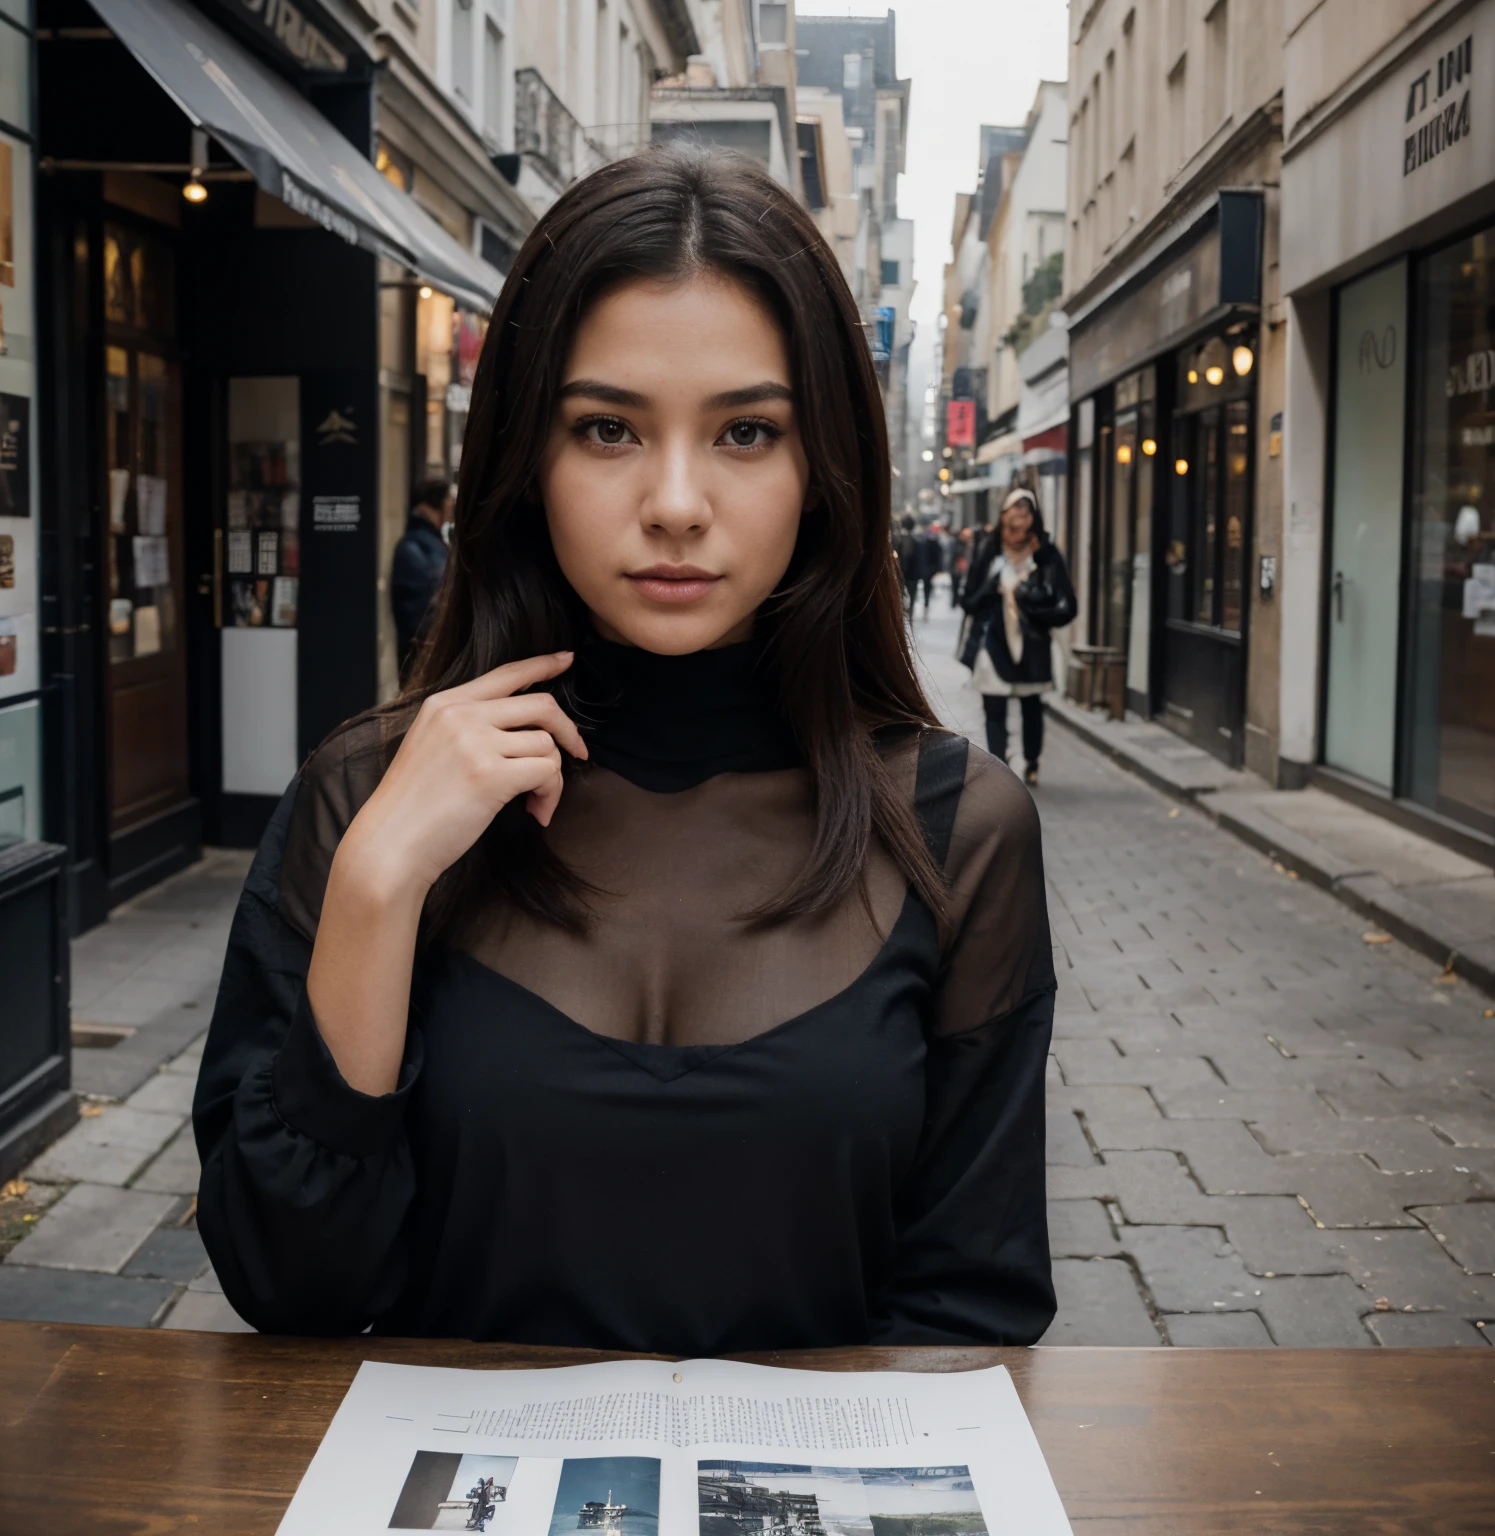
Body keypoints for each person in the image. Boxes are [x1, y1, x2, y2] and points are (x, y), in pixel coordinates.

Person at [193, 145, 1056, 1355]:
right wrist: (379, 887)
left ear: (825, 470)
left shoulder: (960, 831)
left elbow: (974, 1312)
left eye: (747, 432)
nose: (677, 501)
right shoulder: (368, 799)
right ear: (525, 460)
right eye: (607, 428)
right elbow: (287, 1288)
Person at [959, 488, 1076, 786]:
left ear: (1033, 520)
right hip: (992, 642)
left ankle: (1032, 762)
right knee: (994, 708)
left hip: (1032, 642)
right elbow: (969, 601)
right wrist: (993, 587)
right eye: (1013, 516)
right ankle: (1000, 768)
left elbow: (1067, 606)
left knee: (1031, 707)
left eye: (1025, 516)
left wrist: (1032, 602)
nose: (1018, 524)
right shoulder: (989, 550)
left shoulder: (1046, 555)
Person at [391, 478, 454, 680]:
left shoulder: (428, 544)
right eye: (448, 499)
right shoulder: (415, 547)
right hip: (426, 660)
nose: (451, 505)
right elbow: (420, 615)